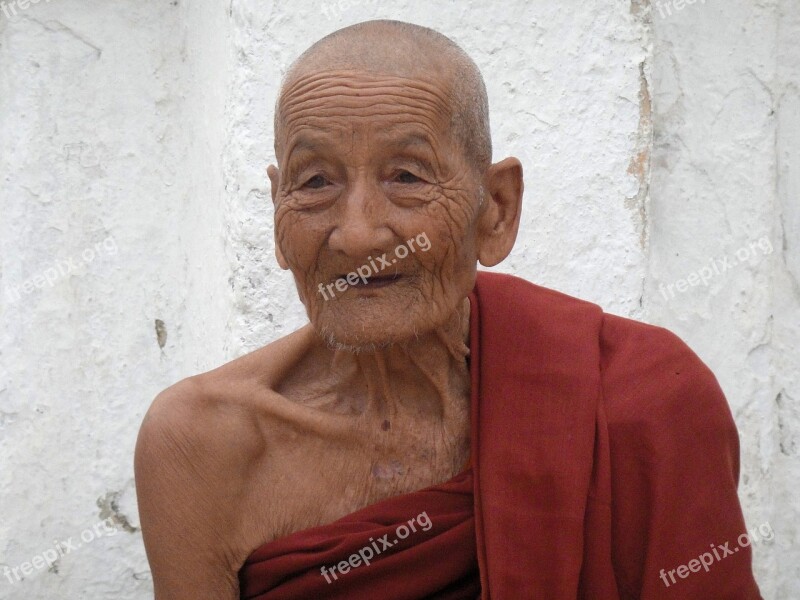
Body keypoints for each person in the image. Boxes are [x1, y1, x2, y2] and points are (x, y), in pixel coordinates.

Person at [134, 19, 762, 599]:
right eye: (316, 182)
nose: (357, 234)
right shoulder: (204, 444)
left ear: (496, 209)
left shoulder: (644, 399)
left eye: (407, 176)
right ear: (277, 212)